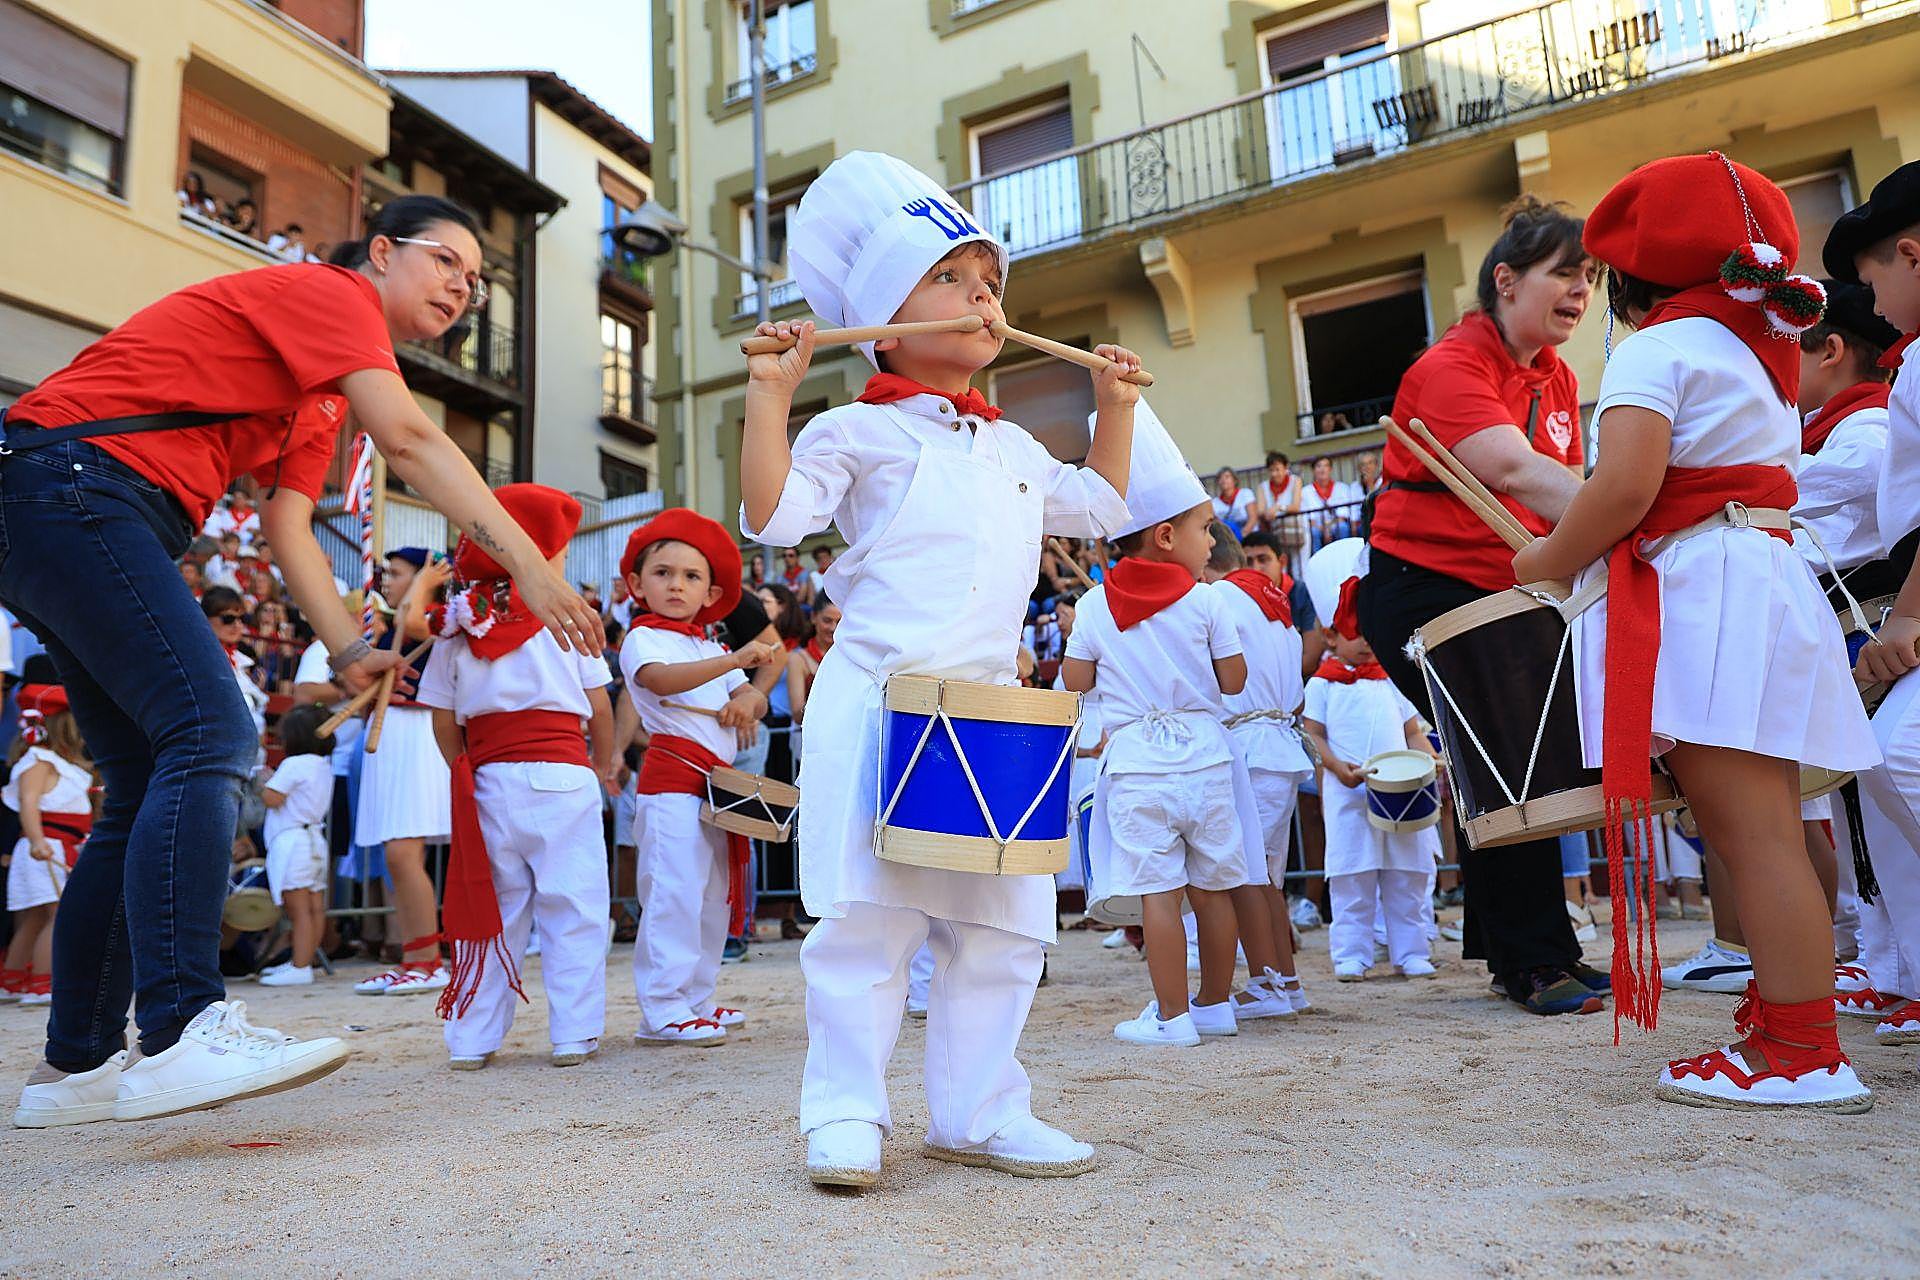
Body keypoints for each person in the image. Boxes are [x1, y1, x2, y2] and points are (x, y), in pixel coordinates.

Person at [2, 193, 600, 1129]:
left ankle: (73, 1070)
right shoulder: (328, 296)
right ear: (380, 252)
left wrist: (353, 647)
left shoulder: (318, 388)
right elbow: (412, 440)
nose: (463, 286)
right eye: (448, 261)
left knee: (139, 776)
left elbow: (289, 526)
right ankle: (180, 1029)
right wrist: (530, 565)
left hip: (71, 503)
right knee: (208, 734)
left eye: (477, 281)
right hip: (73, 485)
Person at [743, 151, 1136, 1187]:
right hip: (876, 698)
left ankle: (977, 1110)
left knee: (1002, 929)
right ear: (883, 323)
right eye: (952, 278)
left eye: (989, 281)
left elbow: (1099, 507)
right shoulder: (858, 427)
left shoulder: (1015, 449)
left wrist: (1117, 404)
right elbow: (777, 516)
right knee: (865, 923)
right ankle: (843, 1112)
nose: (982, 296)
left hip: (992, 711)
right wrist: (768, 399)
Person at [1514, 152, 1878, 1109]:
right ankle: (1790, 1022)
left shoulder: (1657, 350)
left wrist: (1545, 558)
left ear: (1632, 273)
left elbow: (1626, 488)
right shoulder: (1761, 349)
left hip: (1710, 589)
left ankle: (1802, 1055)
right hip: (1759, 578)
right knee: (1768, 830)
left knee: (1749, 835)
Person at [1356, 195, 1606, 1018]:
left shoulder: (1560, 376)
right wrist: (1628, 523)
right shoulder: (1451, 366)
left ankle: (1532, 951)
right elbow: (1520, 473)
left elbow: (1554, 493)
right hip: (1422, 587)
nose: (1582, 291)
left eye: (1591, 276)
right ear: (1506, 279)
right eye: (1565, 272)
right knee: (1503, 753)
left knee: (1515, 760)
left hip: (1508, 587)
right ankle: (1531, 958)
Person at [1066, 409, 1261, 1047]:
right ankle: (1215, 1005)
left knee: (1158, 892)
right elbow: (1233, 682)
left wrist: (1086, 633)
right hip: (1204, 759)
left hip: (1137, 766)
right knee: (1215, 886)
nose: (1214, 539)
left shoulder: (1096, 604)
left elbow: (1075, 681)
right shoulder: (1209, 599)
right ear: (1167, 538)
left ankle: (1172, 1018)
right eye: (1206, 528)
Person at [419, 486, 615, 1070]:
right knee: (574, 905)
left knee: (493, 909)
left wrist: (467, 769)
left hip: (489, 780)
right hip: (563, 774)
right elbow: (599, 708)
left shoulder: (459, 629)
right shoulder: (569, 620)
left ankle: (472, 1040)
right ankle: (574, 1034)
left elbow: (441, 720)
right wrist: (601, 767)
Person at [619, 509, 782, 1044]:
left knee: (712, 896)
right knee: (674, 895)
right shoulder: (644, 638)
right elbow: (661, 679)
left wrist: (753, 697)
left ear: (710, 594)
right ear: (636, 584)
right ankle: (662, 1010)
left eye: (691, 577)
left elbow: (742, 695)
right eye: (663, 573)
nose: (676, 585)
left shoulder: (706, 645)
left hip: (714, 788)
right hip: (671, 786)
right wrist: (737, 661)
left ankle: (696, 997)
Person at [1830, 159, 1920, 1052]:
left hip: (1897, 605)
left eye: (1872, 282)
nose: (1876, 302)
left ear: (1910, 252)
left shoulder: (1910, 373)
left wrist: (1904, 622)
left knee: (1898, 755)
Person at [1299, 571, 1441, 981]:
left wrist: (1426, 761)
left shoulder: (1391, 680)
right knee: (1351, 876)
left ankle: (1411, 950)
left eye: (1369, 634)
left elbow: (1413, 730)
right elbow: (1313, 733)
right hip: (1350, 794)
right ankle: (1351, 952)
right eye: (1353, 633)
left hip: (1400, 793)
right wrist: (1332, 765)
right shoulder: (1324, 685)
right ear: (1331, 637)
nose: (1364, 643)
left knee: (1407, 875)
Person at [1204, 525, 1313, 1015]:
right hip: (1276, 744)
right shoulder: (1273, 604)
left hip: (1253, 745)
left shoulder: (1220, 599)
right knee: (1265, 875)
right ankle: (1284, 982)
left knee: (1247, 874)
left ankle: (1268, 984)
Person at [351, 548, 455, 996]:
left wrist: (424, 585)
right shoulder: (392, 628)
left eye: (396, 574)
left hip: (417, 734)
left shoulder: (434, 618)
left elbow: (415, 620)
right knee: (398, 856)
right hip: (395, 735)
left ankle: (428, 960)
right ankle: (415, 956)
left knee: (402, 853)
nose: (385, 582)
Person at [0, 684, 92, 1012]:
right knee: (56, 916)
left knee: (37, 918)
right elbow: (28, 801)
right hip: (47, 846)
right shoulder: (39, 761)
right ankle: (42, 984)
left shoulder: (53, 761)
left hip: (54, 845)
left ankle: (12, 980)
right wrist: (37, 839)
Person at [255, 704, 335, 988]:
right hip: (314, 838)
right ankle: (304, 961)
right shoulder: (324, 764)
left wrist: (262, 782)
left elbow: (273, 798)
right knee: (314, 907)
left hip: (294, 842)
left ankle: (300, 966)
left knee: (298, 910)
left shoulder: (294, 764)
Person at [1256, 451, 1303, 554]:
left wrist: (1277, 508)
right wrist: (1267, 513)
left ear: (1286, 468)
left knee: (1299, 565)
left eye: (1277, 469)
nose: (1274, 474)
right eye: (1271, 470)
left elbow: (1296, 506)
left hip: (1296, 531)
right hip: (1275, 534)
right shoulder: (1262, 487)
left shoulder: (1295, 481)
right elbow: (1260, 511)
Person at [1210, 466, 1257, 538]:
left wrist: (1241, 536)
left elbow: (1253, 518)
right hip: (1227, 540)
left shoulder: (1245, 493)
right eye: (1220, 478)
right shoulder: (1214, 503)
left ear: (1235, 480)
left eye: (1227, 477)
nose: (1223, 480)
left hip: (1249, 536)